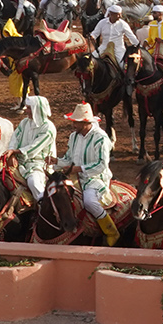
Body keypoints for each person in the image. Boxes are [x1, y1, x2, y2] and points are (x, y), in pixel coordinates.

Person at [59, 102, 120, 245]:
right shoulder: (74, 136)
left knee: (89, 202)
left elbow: (101, 165)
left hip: (96, 178)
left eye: (76, 122)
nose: (73, 125)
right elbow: (68, 159)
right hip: (75, 177)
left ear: (85, 123)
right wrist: (55, 161)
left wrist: (79, 169)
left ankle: (111, 232)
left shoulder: (101, 138)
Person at [9, 94, 57, 201]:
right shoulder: (24, 122)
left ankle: (43, 205)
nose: (26, 110)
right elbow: (15, 138)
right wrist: (11, 153)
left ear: (37, 109)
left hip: (38, 164)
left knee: (33, 182)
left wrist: (15, 151)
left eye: (30, 108)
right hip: (21, 161)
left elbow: (34, 147)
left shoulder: (48, 128)